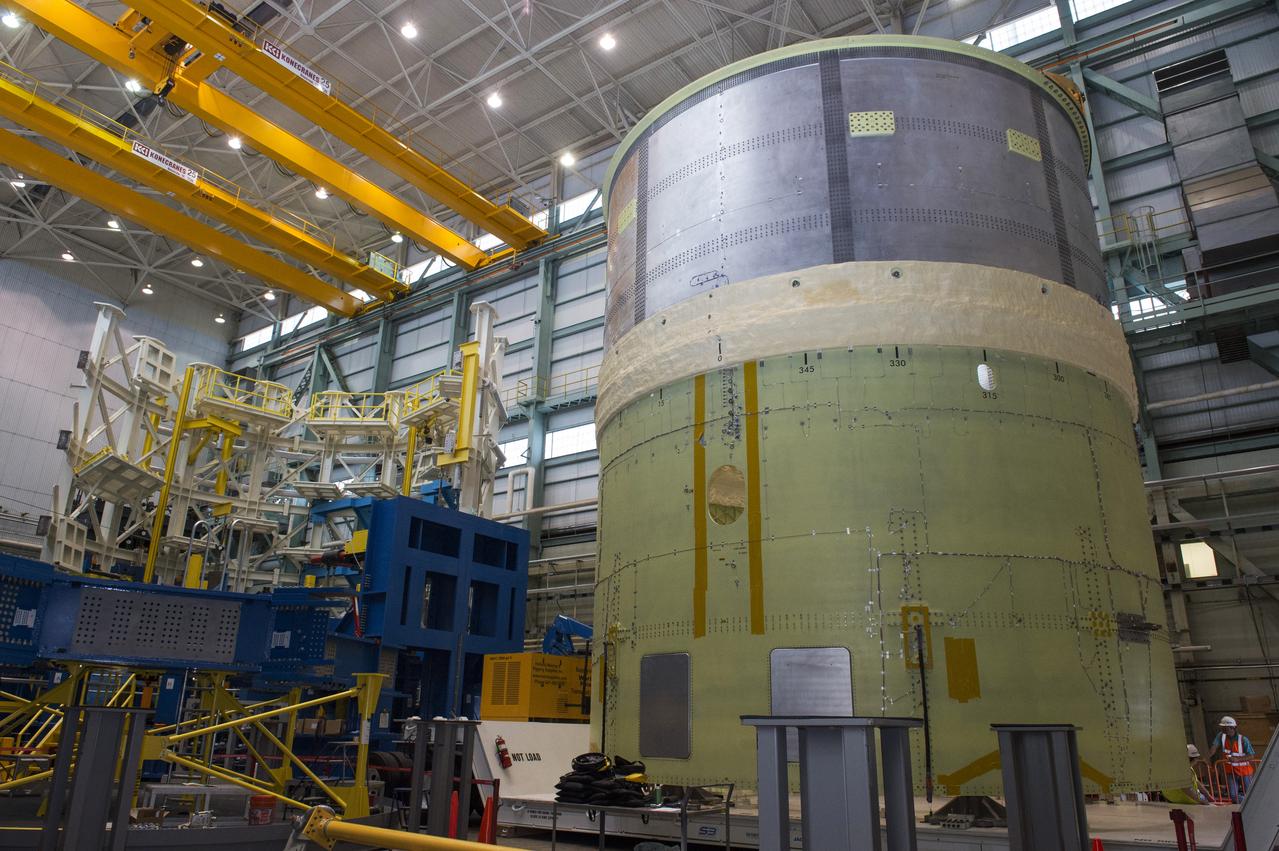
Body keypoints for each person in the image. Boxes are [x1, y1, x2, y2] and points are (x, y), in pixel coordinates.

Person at [1208, 716, 1255, 803]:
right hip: (1230, 771)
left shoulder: (1243, 740)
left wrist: (1237, 759)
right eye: (1222, 728)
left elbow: (1251, 756)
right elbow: (1213, 748)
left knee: (1249, 793)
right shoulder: (1221, 736)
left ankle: (1251, 804)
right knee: (1233, 795)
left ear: (1232, 728)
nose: (1222, 730)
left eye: (1224, 728)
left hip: (1244, 772)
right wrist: (1206, 757)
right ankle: (1245, 804)